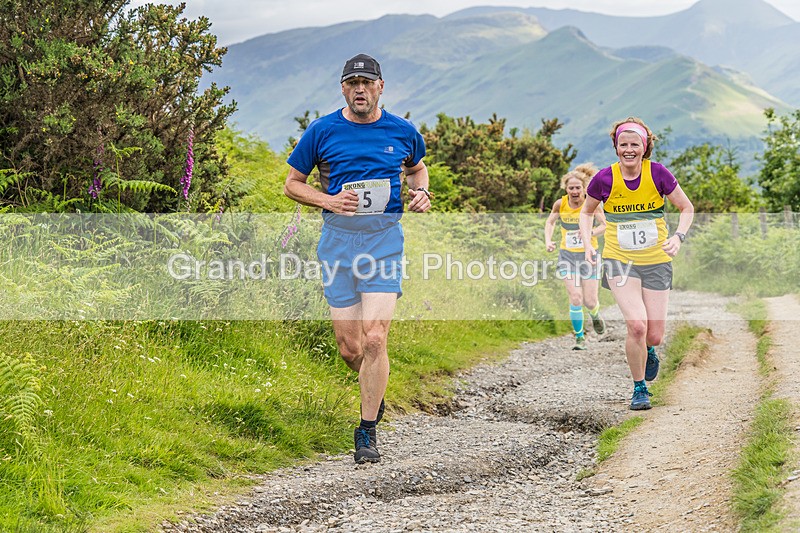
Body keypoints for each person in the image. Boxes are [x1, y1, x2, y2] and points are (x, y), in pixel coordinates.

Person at [283, 53, 431, 463]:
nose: (360, 89)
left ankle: (366, 431)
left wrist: (422, 192)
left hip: (384, 241)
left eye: (367, 82)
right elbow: (292, 184)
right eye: (352, 83)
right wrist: (327, 199)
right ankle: (374, 386)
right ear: (343, 88)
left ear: (381, 86)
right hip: (338, 243)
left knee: (375, 338)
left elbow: (418, 170)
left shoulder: (402, 131)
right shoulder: (322, 131)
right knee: (351, 349)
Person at [579, 117, 693, 411]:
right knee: (636, 325)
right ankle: (639, 388)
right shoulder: (604, 178)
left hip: (656, 261)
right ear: (616, 146)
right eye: (623, 144)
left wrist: (679, 237)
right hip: (619, 261)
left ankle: (651, 350)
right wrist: (589, 241)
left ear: (645, 147)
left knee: (653, 334)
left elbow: (686, 207)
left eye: (634, 144)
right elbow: (586, 212)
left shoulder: (658, 174)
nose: (628, 149)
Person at [544, 164, 607, 350]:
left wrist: (592, 233)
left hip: (589, 256)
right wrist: (548, 240)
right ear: (566, 189)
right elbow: (550, 222)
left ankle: (595, 314)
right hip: (567, 256)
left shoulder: (592, 204)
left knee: (589, 301)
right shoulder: (560, 204)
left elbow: (605, 225)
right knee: (576, 297)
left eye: (578, 187)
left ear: (584, 188)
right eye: (571, 188)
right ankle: (579, 338)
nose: (574, 191)